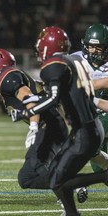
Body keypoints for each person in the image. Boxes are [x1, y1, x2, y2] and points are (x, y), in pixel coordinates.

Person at [12, 26, 108, 216]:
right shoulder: (74, 60)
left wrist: (27, 113)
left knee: (59, 177)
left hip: (87, 126)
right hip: (89, 123)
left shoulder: (56, 65)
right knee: (61, 173)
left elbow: (54, 98)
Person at [0, 48, 69, 191]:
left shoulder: (6, 78)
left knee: (27, 177)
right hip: (53, 124)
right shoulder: (13, 75)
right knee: (40, 171)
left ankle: (71, 185)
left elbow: (29, 99)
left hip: (47, 127)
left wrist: (33, 126)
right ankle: (67, 192)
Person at [71, 23, 108, 203]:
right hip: (85, 114)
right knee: (101, 169)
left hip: (103, 111)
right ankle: (77, 183)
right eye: (91, 45)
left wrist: (85, 86)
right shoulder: (76, 59)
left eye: (98, 46)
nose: (93, 50)